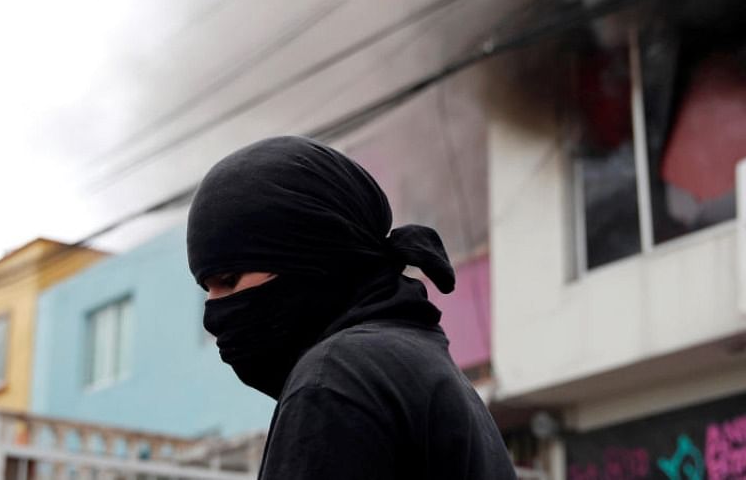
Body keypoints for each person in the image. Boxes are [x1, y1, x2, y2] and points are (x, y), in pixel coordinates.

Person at [186, 135, 517, 479]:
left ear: (310, 255)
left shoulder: (335, 380)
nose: (213, 314)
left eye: (229, 279)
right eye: (206, 288)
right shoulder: (423, 367)